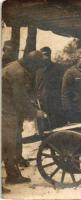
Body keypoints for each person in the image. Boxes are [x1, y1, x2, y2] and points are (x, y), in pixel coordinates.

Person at [2, 51, 46, 184]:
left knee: (11, 144)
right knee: (6, 144)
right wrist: (35, 112)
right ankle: (11, 177)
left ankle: (13, 176)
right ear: (32, 63)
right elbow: (20, 99)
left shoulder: (16, 67)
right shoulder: (18, 73)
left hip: (8, 109)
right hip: (5, 111)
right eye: (36, 66)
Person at [35, 47, 65, 129]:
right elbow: (35, 88)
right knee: (46, 129)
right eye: (44, 55)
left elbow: (64, 86)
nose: (46, 57)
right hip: (43, 106)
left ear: (50, 54)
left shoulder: (59, 68)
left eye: (48, 54)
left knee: (60, 128)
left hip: (57, 105)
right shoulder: (37, 71)